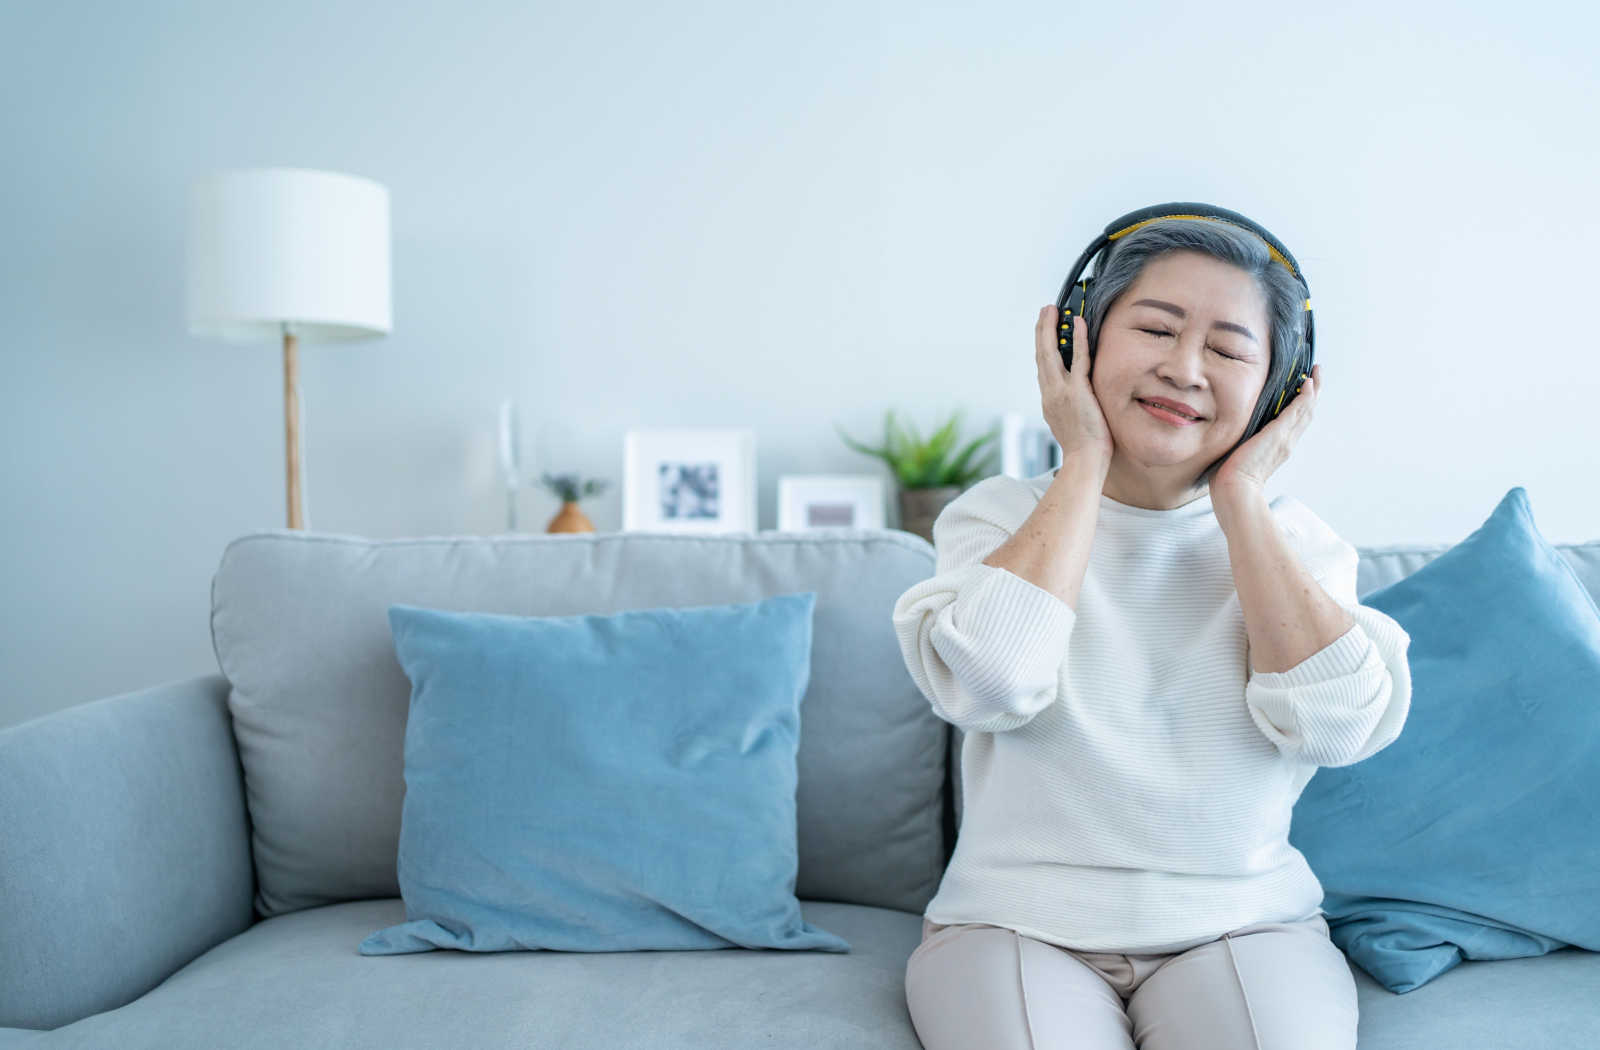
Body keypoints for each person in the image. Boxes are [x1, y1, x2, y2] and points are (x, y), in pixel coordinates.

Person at [891, 218, 1413, 1050]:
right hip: (1012, 926)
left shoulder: (1296, 543)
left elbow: (1339, 727)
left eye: (1230, 350)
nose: (1184, 368)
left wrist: (1241, 498)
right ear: (1079, 342)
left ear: (1276, 392)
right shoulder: (999, 517)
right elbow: (990, 684)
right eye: (1156, 329)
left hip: (1243, 926)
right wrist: (1084, 462)